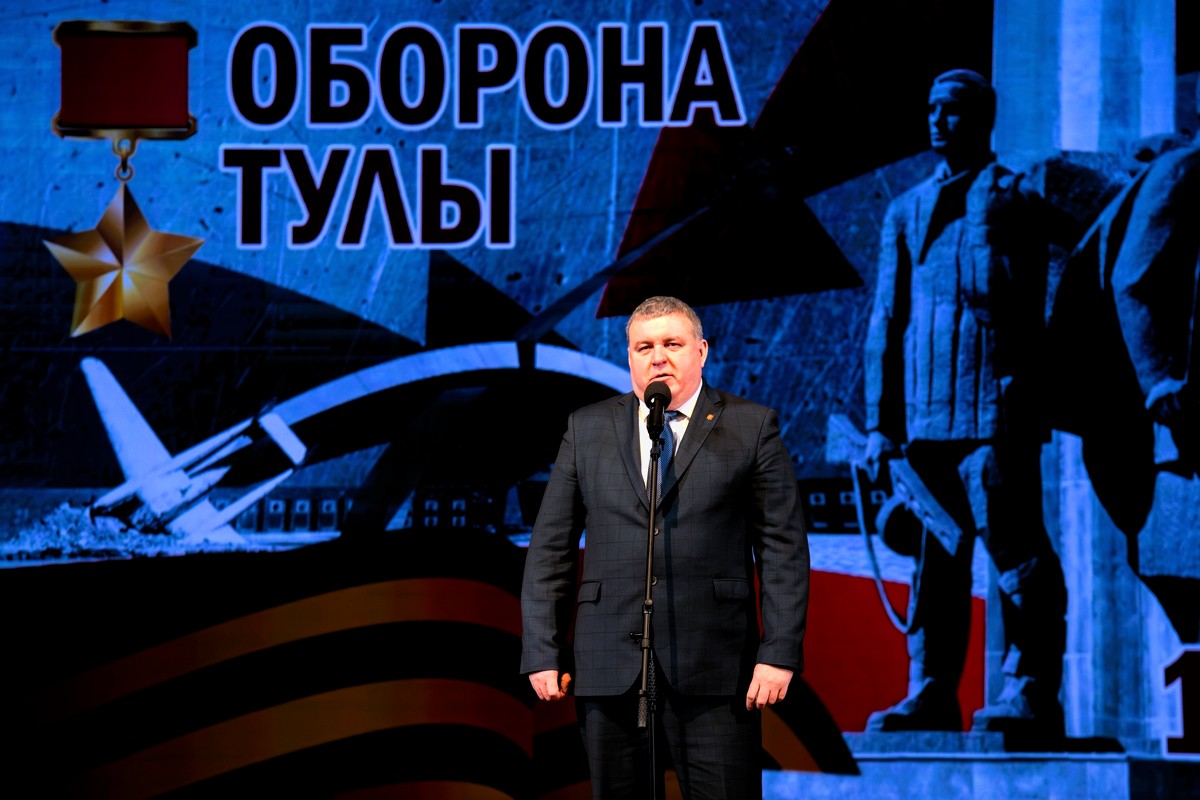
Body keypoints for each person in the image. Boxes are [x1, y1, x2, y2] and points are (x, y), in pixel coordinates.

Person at [520, 295, 809, 799]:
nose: (658, 357)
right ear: (629, 356)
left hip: (716, 667)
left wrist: (778, 652)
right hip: (609, 663)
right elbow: (551, 547)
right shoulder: (587, 428)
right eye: (644, 347)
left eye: (672, 344)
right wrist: (543, 648)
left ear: (701, 351)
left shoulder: (752, 426)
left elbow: (782, 550)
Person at [863, 69, 1071, 736]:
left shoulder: (1014, 198)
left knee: (1016, 553)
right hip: (925, 419)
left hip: (995, 412)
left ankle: (1031, 685)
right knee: (934, 567)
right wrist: (879, 425)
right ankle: (929, 690)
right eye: (931, 109)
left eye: (950, 110)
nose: (936, 120)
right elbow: (885, 320)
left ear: (982, 118)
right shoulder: (905, 211)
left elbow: (1048, 293)